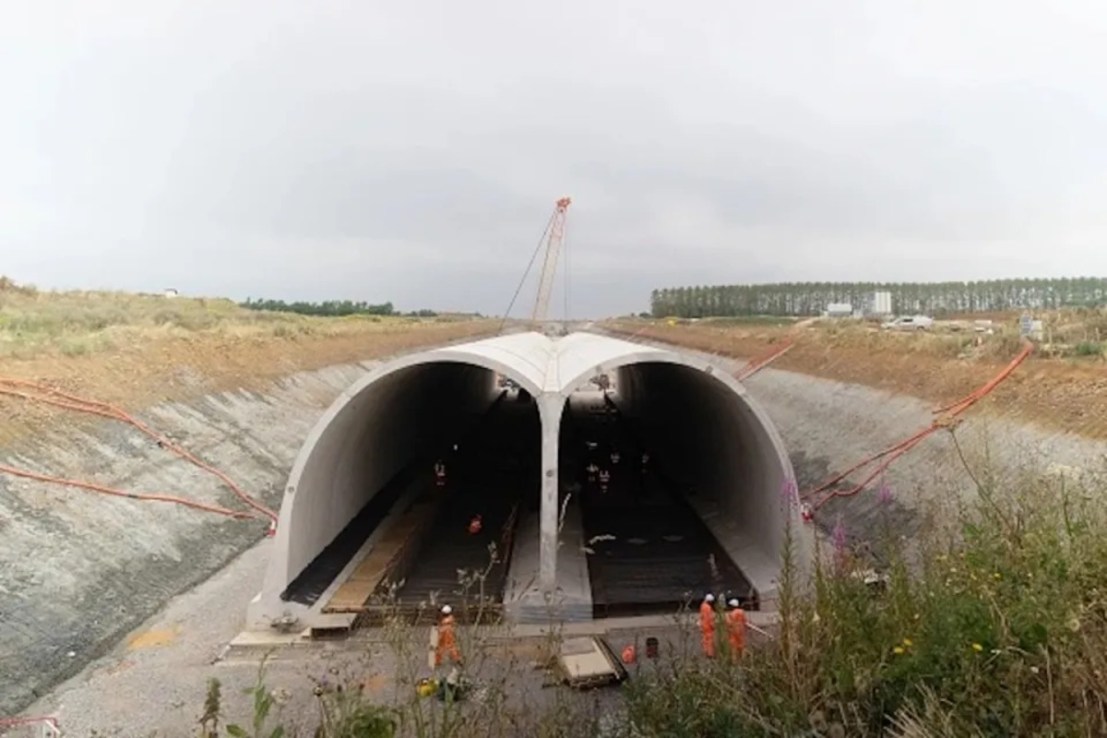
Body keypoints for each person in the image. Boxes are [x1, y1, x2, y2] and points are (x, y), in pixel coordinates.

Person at [699, 593, 717, 658]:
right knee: (710, 641)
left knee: (705, 640)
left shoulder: (702, 606)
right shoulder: (708, 608)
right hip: (708, 626)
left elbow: (701, 616)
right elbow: (710, 618)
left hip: (703, 625)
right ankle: (710, 654)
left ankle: (706, 652)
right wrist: (713, 625)